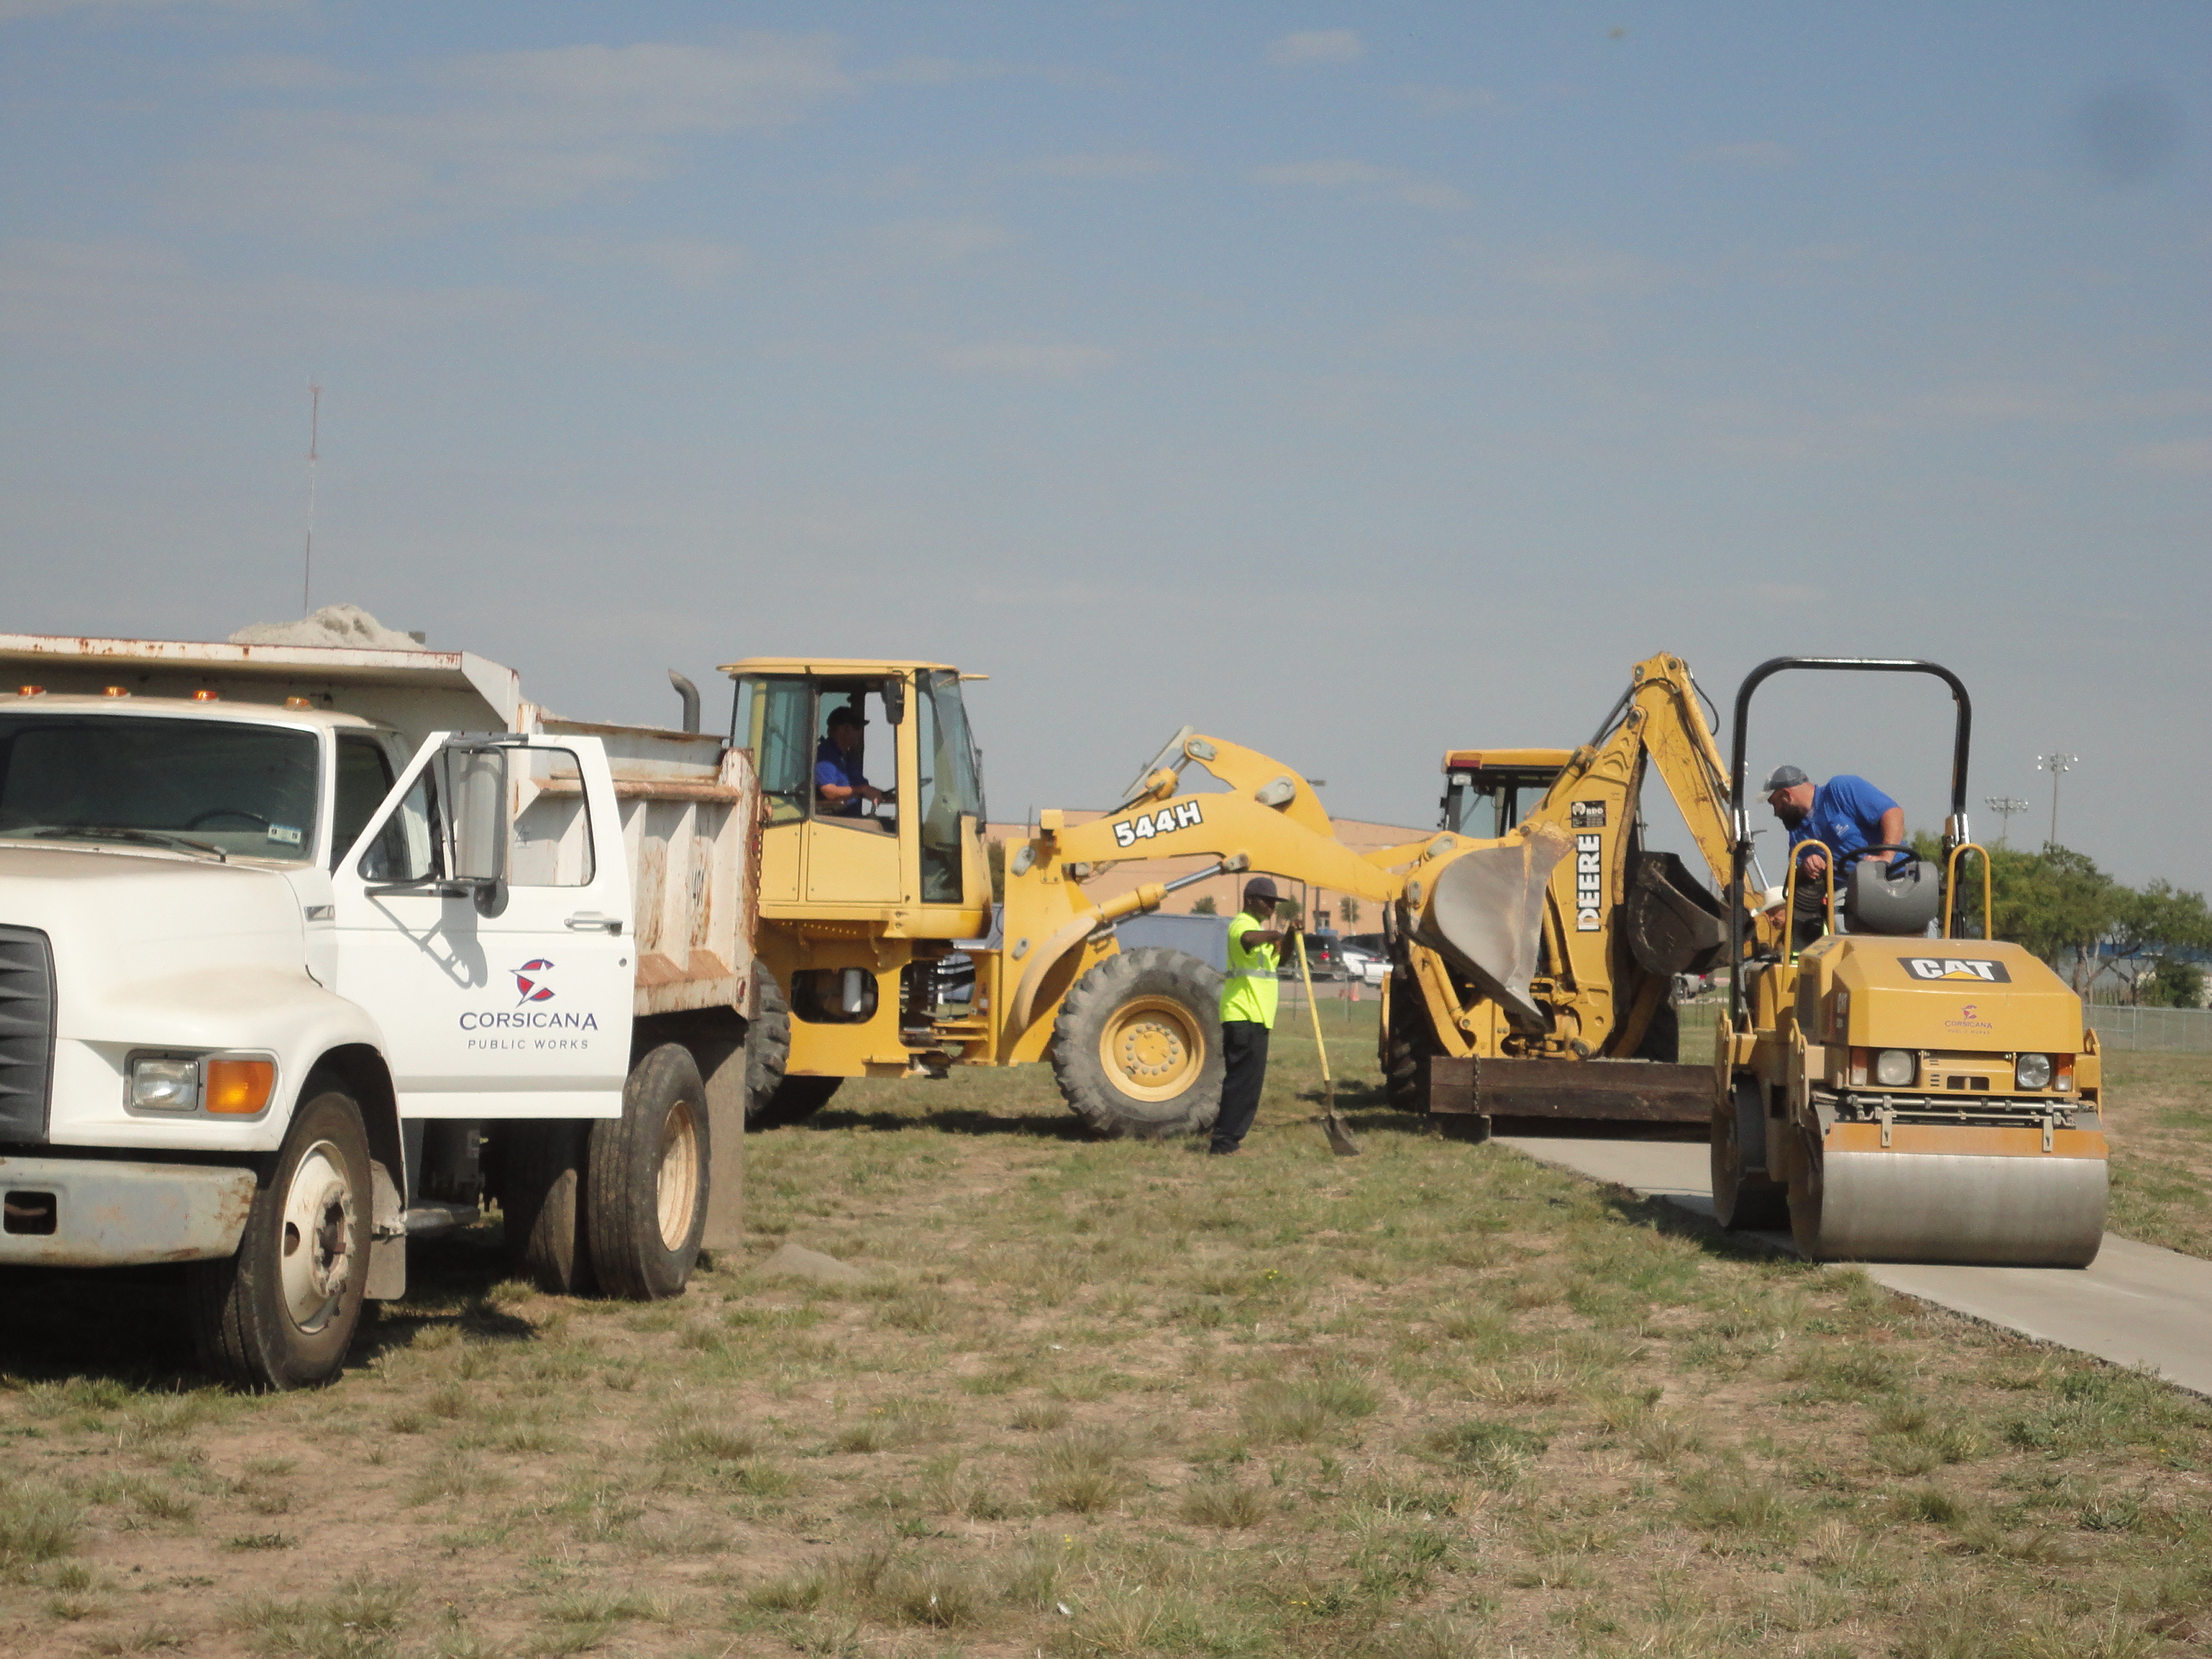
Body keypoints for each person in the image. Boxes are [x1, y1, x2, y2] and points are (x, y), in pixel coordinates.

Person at [1762, 765, 1905, 945]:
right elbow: (1794, 880)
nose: (1775, 813)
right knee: (1838, 917)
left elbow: (1892, 813)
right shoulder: (1798, 835)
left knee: (1919, 912)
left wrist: (1886, 857)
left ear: (1786, 795)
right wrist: (1806, 867)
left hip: (1896, 873)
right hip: (1851, 892)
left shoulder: (1841, 789)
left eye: (1775, 804)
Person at [1211, 876, 1298, 1156]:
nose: (1272, 906)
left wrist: (1292, 937)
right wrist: (1276, 934)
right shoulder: (1242, 925)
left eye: (1275, 902)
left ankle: (1232, 1139)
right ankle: (1224, 1142)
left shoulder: (1261, 930)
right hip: (1242, 1014)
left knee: (1251, 1085)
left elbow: (1281, 960)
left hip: (1259, 1017)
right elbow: (1247, 940)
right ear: (1250, 900)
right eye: (1267, 900)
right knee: (1240, 1082)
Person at [815, 706, 888, 819]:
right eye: (858, 728)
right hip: (833, 822)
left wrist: (886, 796)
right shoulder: (826, 754)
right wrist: (862, 790)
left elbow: (863, 787)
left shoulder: (847, 758)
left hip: (851, 819)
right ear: (846, 729)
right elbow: (828, 790)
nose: (861, 733)